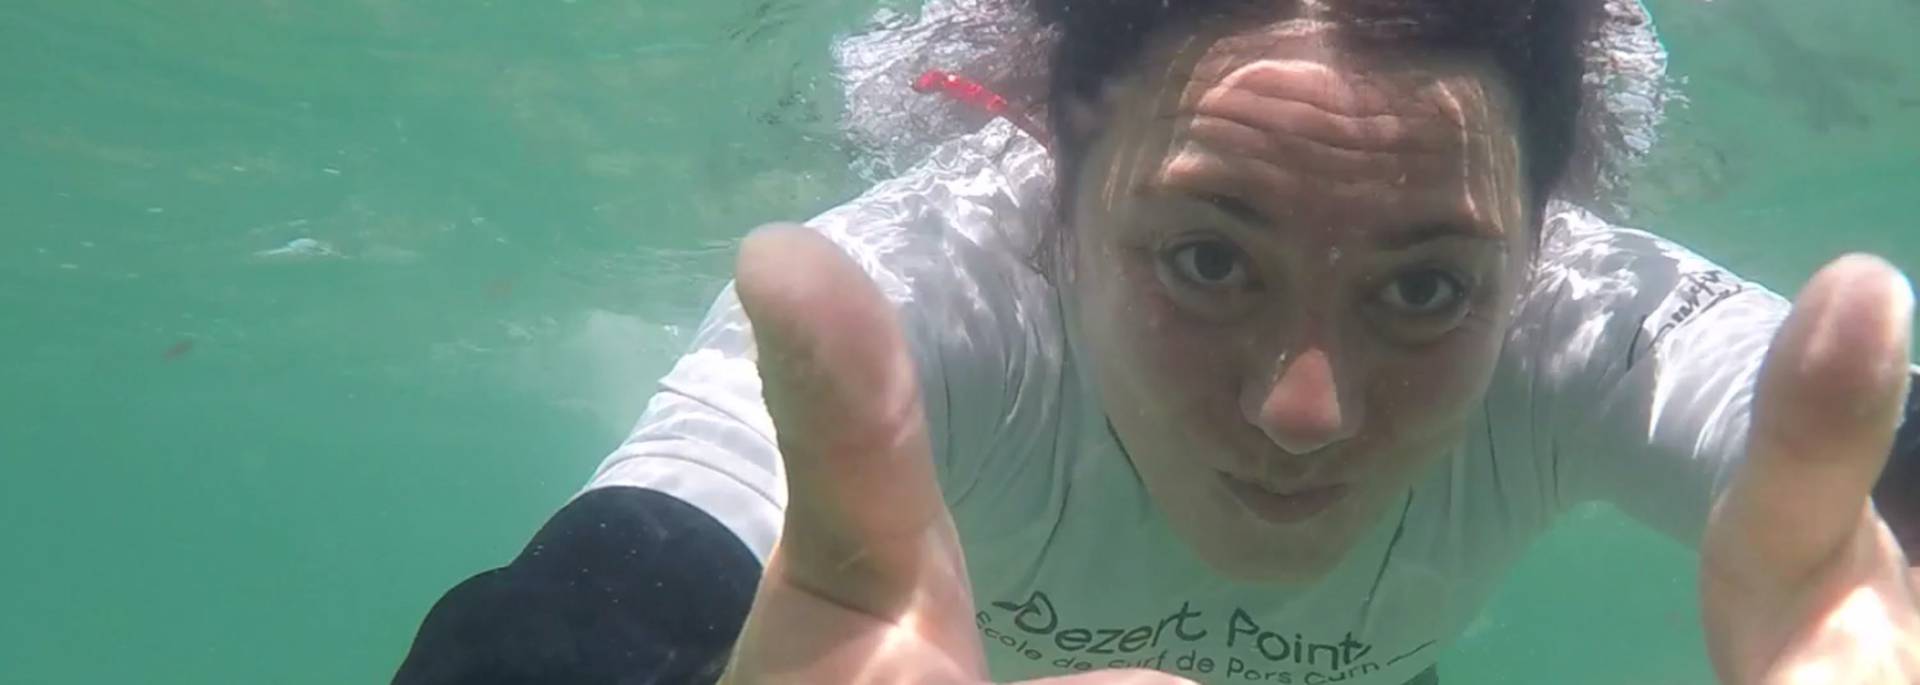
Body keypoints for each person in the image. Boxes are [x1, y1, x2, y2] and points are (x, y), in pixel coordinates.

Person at [394, 0, 1920, 683]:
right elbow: (567, 615)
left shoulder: (1591, 309)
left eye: (1428, 288)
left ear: (1538, 237)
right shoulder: (914, 291)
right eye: (1208, 256)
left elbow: (1863, 444)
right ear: (1065, 170)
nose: (1305, 410)